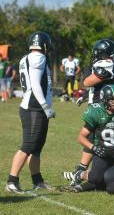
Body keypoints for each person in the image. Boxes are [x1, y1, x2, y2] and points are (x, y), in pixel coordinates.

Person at [63, 39, 114, 185]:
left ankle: (82, 172)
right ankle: (112, 169)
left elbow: (87, 82)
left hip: (103, 106)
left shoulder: (106, 64)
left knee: (93, 139)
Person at [5, 31, 56, 194]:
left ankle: (37, 181)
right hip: (34, 107)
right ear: (44, 44)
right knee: (28, 146)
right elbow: (35, 84)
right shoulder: (39, 58)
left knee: (36, 148)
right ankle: (12, 181)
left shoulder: (26, 58)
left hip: (33, 106)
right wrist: (46, 107)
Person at [67, 84, 114, 192]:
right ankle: (80, 174)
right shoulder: (97, 112)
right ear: (104, 100)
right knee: (97, 177)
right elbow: (81, 137)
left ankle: (87, 186)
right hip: (103, 153)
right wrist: (94, 148)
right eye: (111, 99)